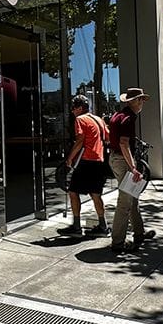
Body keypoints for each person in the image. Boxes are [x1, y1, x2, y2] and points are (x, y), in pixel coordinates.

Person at [108, 87, 156, 252]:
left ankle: (139, 233)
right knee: (125, 202)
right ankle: (117, 242)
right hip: (123, 160)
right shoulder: (128, 119)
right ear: (134, 101)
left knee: (133, 197)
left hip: (116, 158)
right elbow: (123, 143)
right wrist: (133, 167)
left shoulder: (118, 115)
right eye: (141, 99)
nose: (142, 102)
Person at [59, 94, 110, 237]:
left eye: (74, 108)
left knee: (73, 192)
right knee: (96, 194)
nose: (72, 111)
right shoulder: (99, 120)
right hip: (99, 161)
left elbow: (80, 140)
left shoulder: (80, 120)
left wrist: (70, 158)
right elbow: (107, 137)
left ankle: (76, 227)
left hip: (86, 161)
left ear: (80, 108)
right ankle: (103, 226)